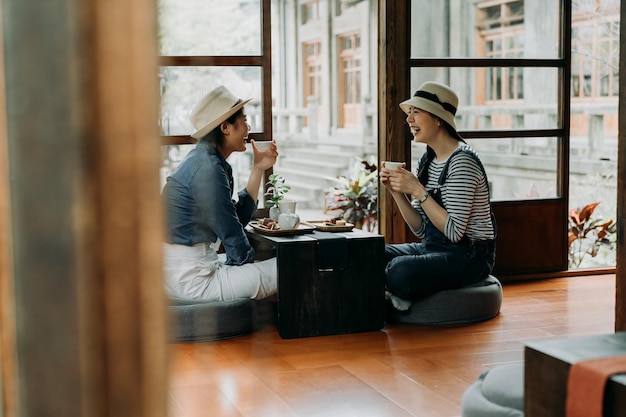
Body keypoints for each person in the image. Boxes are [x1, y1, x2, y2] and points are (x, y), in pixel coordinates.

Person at [379, 81, 496, 311]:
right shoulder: (429, 160)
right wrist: (397, 192)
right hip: (434, 248)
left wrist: (418, 190)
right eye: (409, 113)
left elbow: (454, 233)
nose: (408, 120)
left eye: (416, 112)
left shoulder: (462, 162)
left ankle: (397, 289)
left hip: (469, 257)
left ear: (438, 118)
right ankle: (396, 290)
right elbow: (422, 230)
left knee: (400, 270)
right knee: (370, 253)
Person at [162, 85, 278, 301]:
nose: (249, 127)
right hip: (191, 280)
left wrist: (258, 168)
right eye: (244, 120)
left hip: (187, 271)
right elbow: (233, 236)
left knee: (271, 265)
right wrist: (247, 266)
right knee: (289, 267)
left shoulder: (204, 161)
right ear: (226, 128)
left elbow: (234, 220)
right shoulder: (208, 168)